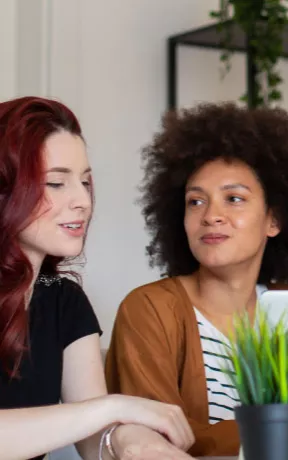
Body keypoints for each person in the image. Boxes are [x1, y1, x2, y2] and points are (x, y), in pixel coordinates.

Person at [104, 102, 288, 457]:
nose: (211, 216)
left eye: (234, 199)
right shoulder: (148, 310)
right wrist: (274, 432)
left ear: (274, 220)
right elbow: (153, 438)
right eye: (195, 202)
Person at [0, 97, 195, 460]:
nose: (83, 202)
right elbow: (94, 414)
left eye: (85, 182)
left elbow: (93, 439)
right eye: (56, 183)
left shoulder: (62, 299)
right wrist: (113, 408)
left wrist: (131, 440)